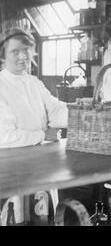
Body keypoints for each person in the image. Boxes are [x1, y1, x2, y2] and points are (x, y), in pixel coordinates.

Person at [0, 27, 68, 225]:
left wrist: (85, 110)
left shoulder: (34, 82)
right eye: (15, 51)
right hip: (11, 170)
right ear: (3, 54)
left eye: (26, 50)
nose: (23, 56)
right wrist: (43, 135)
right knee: (17, 218)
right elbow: (4, 137)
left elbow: (55, 110)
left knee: (44, 218)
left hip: (41, 167)